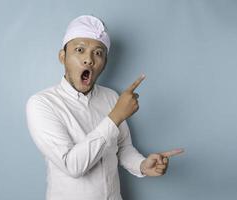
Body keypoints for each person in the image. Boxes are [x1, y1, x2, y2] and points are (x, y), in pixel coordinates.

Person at [26, 15, 184, 200]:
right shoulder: (42, 103)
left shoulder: (111, 97)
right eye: (80, 50)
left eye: (98, 53)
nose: (89, 60)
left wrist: (142, 165)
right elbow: (72, 166)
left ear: (104, 63)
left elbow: (123, 148)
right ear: (63, 56)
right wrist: (115, 116)